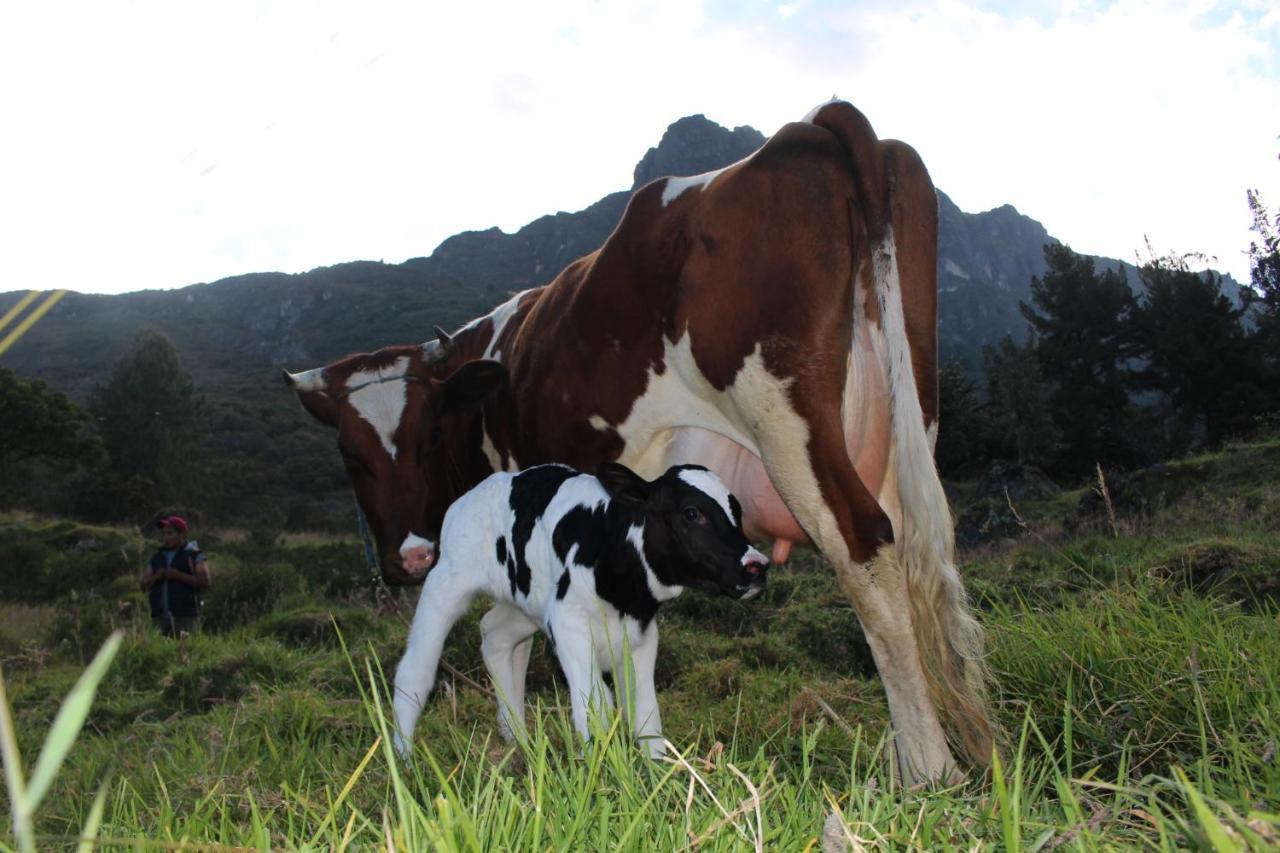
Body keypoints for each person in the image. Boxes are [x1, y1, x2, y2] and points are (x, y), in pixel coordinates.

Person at [140, 515, 210, 637]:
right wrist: (156, 576)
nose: (166, 537)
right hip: (159, 617)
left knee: (187, 651)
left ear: (182, 534)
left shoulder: (194, 555)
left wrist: (179, 576)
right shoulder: (157, 557)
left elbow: (205, 581)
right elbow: (143, 584)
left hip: (186, 617)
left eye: (170, 533)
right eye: (164, 534)